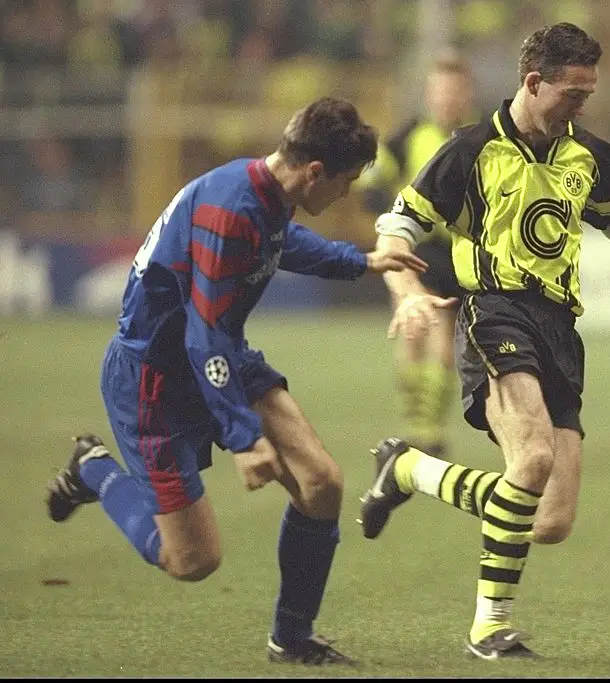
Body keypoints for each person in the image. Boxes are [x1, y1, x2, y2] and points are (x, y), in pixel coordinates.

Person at [359, 23, 610, 660]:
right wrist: (406, 289)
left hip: (559, 328)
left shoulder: (595, 158)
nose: (582, 105)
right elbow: (398, 224)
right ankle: (488, 627)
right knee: (529, 461)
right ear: (534, 83)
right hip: (493, 313)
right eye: (573, 93)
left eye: (588, 93)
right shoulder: (470, 150)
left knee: (550, 522)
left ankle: (410, 469)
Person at [44, 97, 428, 666]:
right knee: (192, 561)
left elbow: (277, 244)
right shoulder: (231, 211)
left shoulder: (264, 191)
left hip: (219, 354)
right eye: (345, 182)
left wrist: (358, 261)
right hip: (154, 379)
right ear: (315, 171)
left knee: (321, 483)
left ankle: (291, 639)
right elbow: (204, 336)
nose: (346, 195)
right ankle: (94, 470)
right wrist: (246, 438)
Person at [357, 49, 476, 459]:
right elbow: (372, 178)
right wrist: (386, 209)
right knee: (414, 331)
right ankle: (420, 427)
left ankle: (428, 429)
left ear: (465, 95)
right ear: (429, 94)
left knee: (442, 337)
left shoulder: (477, 140)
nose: (447, 99)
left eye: (454, 91)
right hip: (414, 248)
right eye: (441, 91)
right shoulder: (408, 136)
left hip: (456, 252)